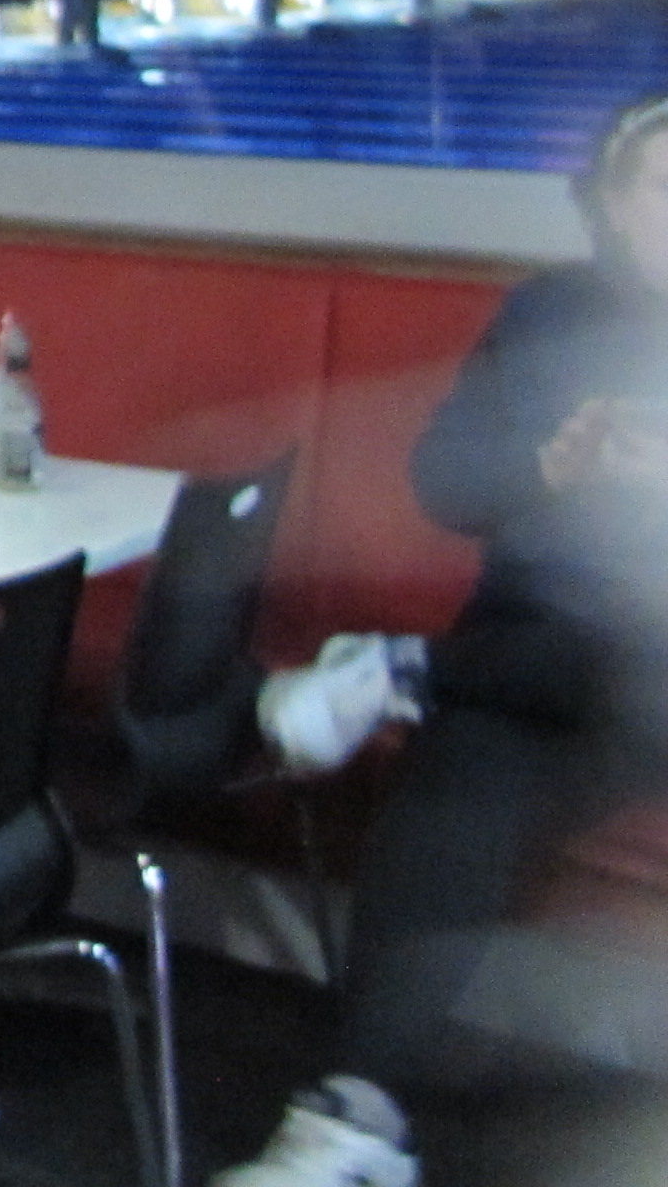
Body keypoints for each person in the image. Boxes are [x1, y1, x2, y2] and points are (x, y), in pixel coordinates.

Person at [219, 92, 668, 1186]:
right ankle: (354, 1124)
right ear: (610, 205)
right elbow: (446, 486)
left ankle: (409, 670)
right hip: (536, 666)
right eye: (662, 187)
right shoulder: (548, 316)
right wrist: (549, 466)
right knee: (458, 788)